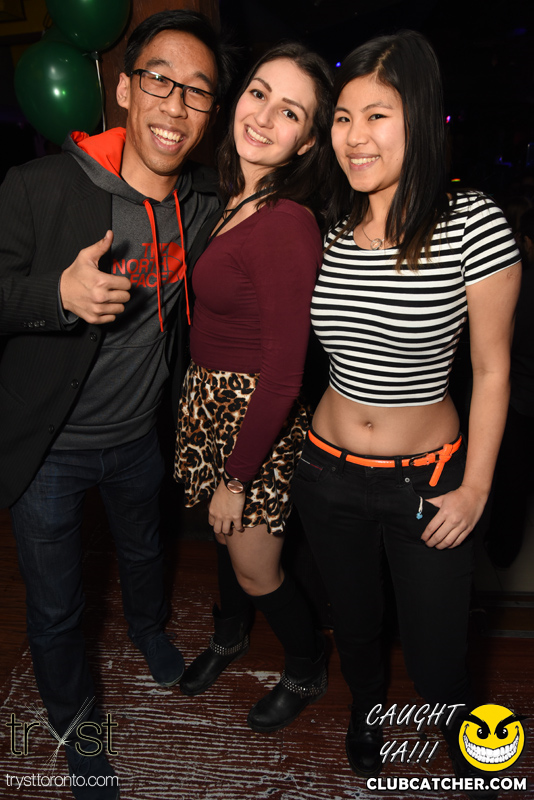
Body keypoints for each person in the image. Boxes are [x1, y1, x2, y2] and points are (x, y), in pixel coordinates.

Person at [0, 10, 232, 798]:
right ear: (125, 90)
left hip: (139, 437)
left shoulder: (202, 205)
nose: (176, 105)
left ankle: (147, 630)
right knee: (57, 611)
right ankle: (80, 735)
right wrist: (54, 295)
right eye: (160, 81)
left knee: (143, 553)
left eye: (197, 91)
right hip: (49, 449)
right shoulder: (38, 188)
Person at [291, 30, 521, 784]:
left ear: (418, 118)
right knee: (355, 624)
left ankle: (465, 742)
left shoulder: (472, 223)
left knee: (438, 651)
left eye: (377, 115)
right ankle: (366, 707)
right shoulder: (327, 227)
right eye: (343, 117)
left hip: (428, 480)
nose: (354, 136)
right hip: (326, 472)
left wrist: (476, 487)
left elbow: (491, 369)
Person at [174, 42, 332, 732]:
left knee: (257, 569)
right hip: (215, 405)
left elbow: (285, 374)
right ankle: (230, 636)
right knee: (223, 542)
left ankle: (306, 664)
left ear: (309, 142)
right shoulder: (239, 195)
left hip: (252, 420)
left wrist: (237, 477)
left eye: (290, 112)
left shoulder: (286, 224)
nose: (264, 117)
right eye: (259, 93)